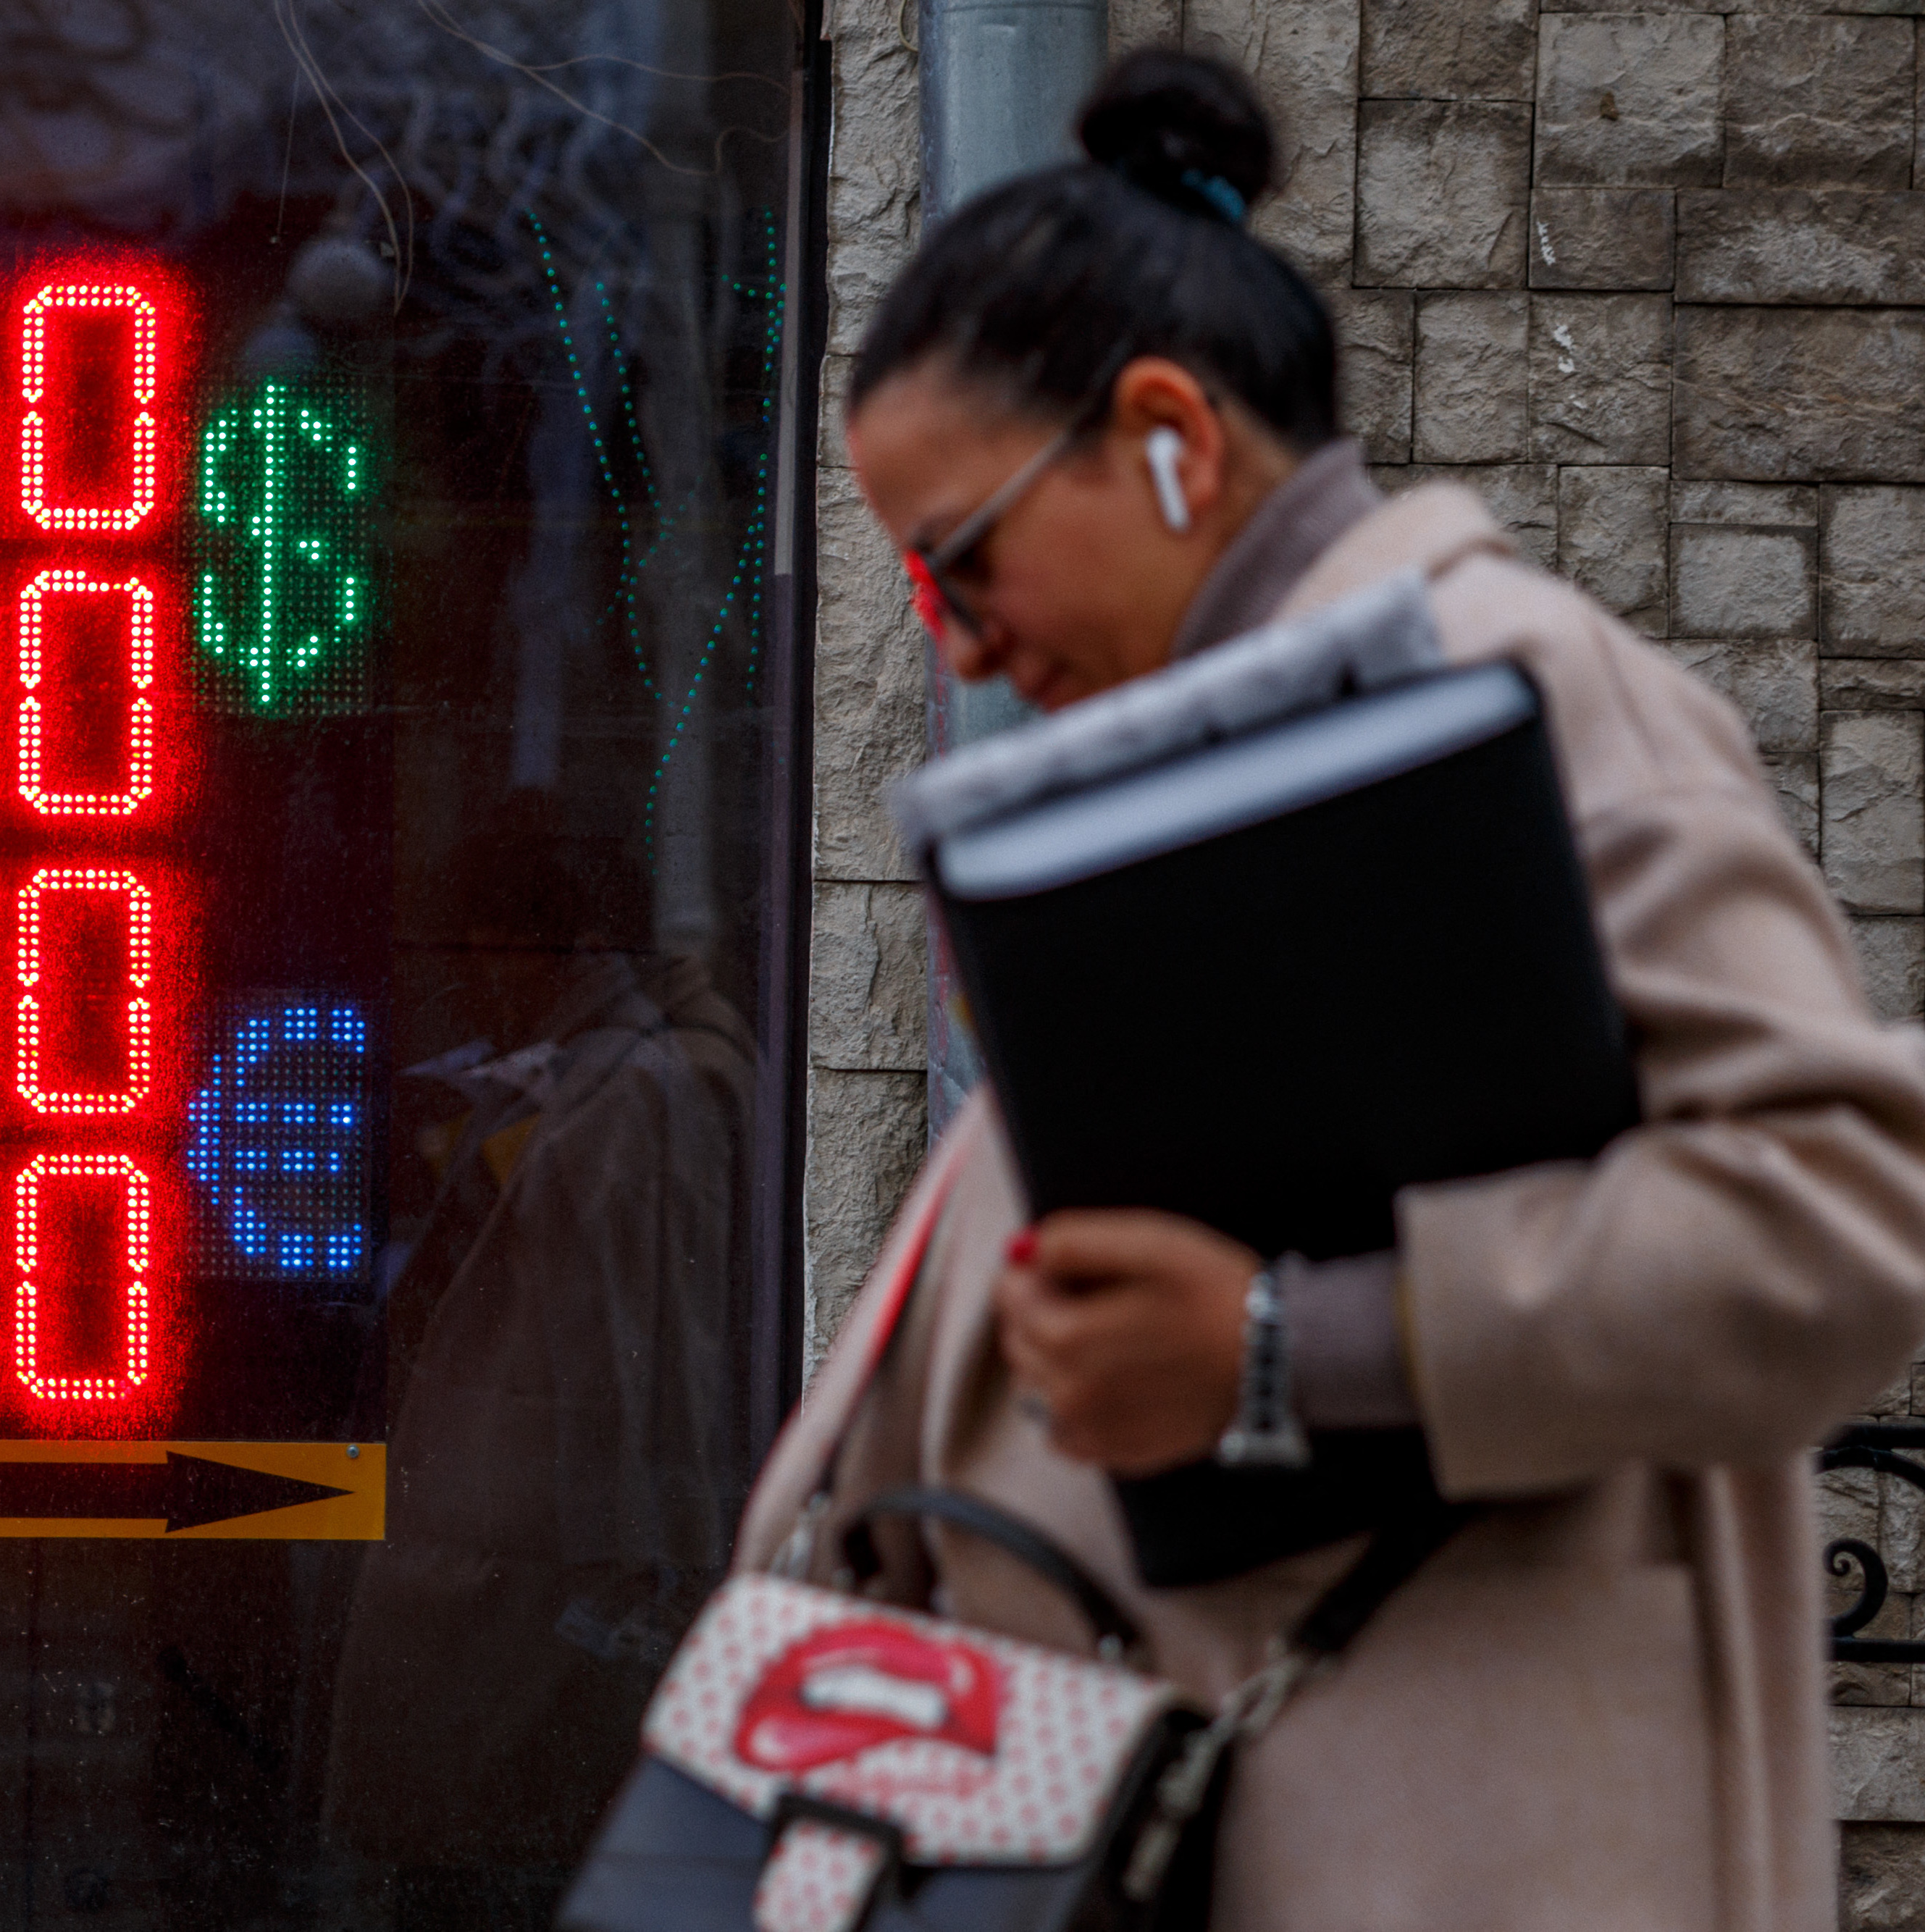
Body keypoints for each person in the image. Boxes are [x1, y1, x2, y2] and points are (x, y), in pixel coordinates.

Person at [733, 46, 1925, 1931]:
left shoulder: (1509, 688)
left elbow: (1839, 1218)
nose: (951, 640)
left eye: (961, 558)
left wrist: (1284, 1349)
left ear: (1167, 437)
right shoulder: (1208, 780)